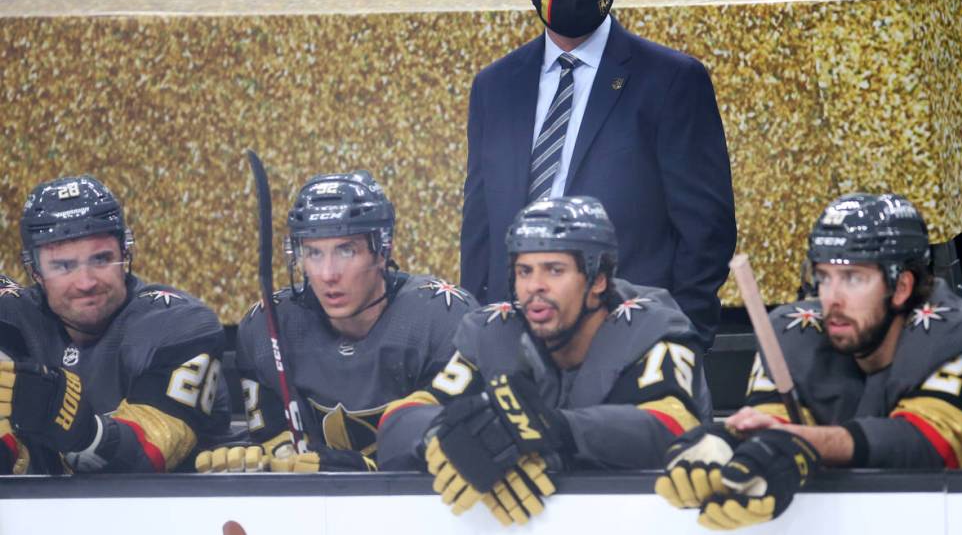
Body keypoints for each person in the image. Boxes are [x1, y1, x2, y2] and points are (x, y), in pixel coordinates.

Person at [459, 0, 736, 348]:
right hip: (514, 341)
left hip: (629, 340)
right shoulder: (495, 86)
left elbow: (707, 231)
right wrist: (475, 336)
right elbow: (480, 226)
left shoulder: (671, 80)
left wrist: (682, 340)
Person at [655, 193, 962, 530]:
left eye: (853, 277)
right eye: (824, 277)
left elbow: (926, 447)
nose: (831, 298)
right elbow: (774, 423)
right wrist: (730, 441)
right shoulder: (793, 331)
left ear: (901, 286)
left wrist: (805, 442)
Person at [379, 196, 710, 525]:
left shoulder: (651, 325)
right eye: (524, 271)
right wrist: (445, 435)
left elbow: (674, 428)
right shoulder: (494, 331)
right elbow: (398, 421)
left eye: (554, 270)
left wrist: (552, 431)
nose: (534, 286)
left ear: (598, 279)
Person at [196, 171, 475, 473]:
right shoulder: (267, 325)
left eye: (346, 250)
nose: (328, 273)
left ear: (383, 249)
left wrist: (363, 470)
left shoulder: (442, 316)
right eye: (314, 252)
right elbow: (282, 452)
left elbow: (452, 449)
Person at [0, 175, 230, 475]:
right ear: (35, 271)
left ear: (125, 253)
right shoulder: (12, 316)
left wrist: (79, 428)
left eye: (101, 259)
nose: (85, 282)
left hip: (164, 516)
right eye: (63, 266)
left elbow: (149, 455)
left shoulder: (180, 324)